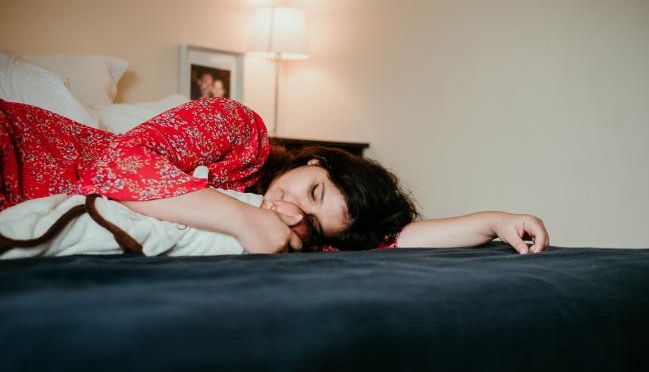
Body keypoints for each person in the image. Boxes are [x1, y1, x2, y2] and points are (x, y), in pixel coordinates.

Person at [0, 97, 549, 255]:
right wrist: (240, 219)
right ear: (314, 161)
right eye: (310, 190)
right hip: (15, 143)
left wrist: (494, 220)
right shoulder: (239, 131)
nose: (289, 211)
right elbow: (115, 165)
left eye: (311, 220)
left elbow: (394, 239)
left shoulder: (307, 234)